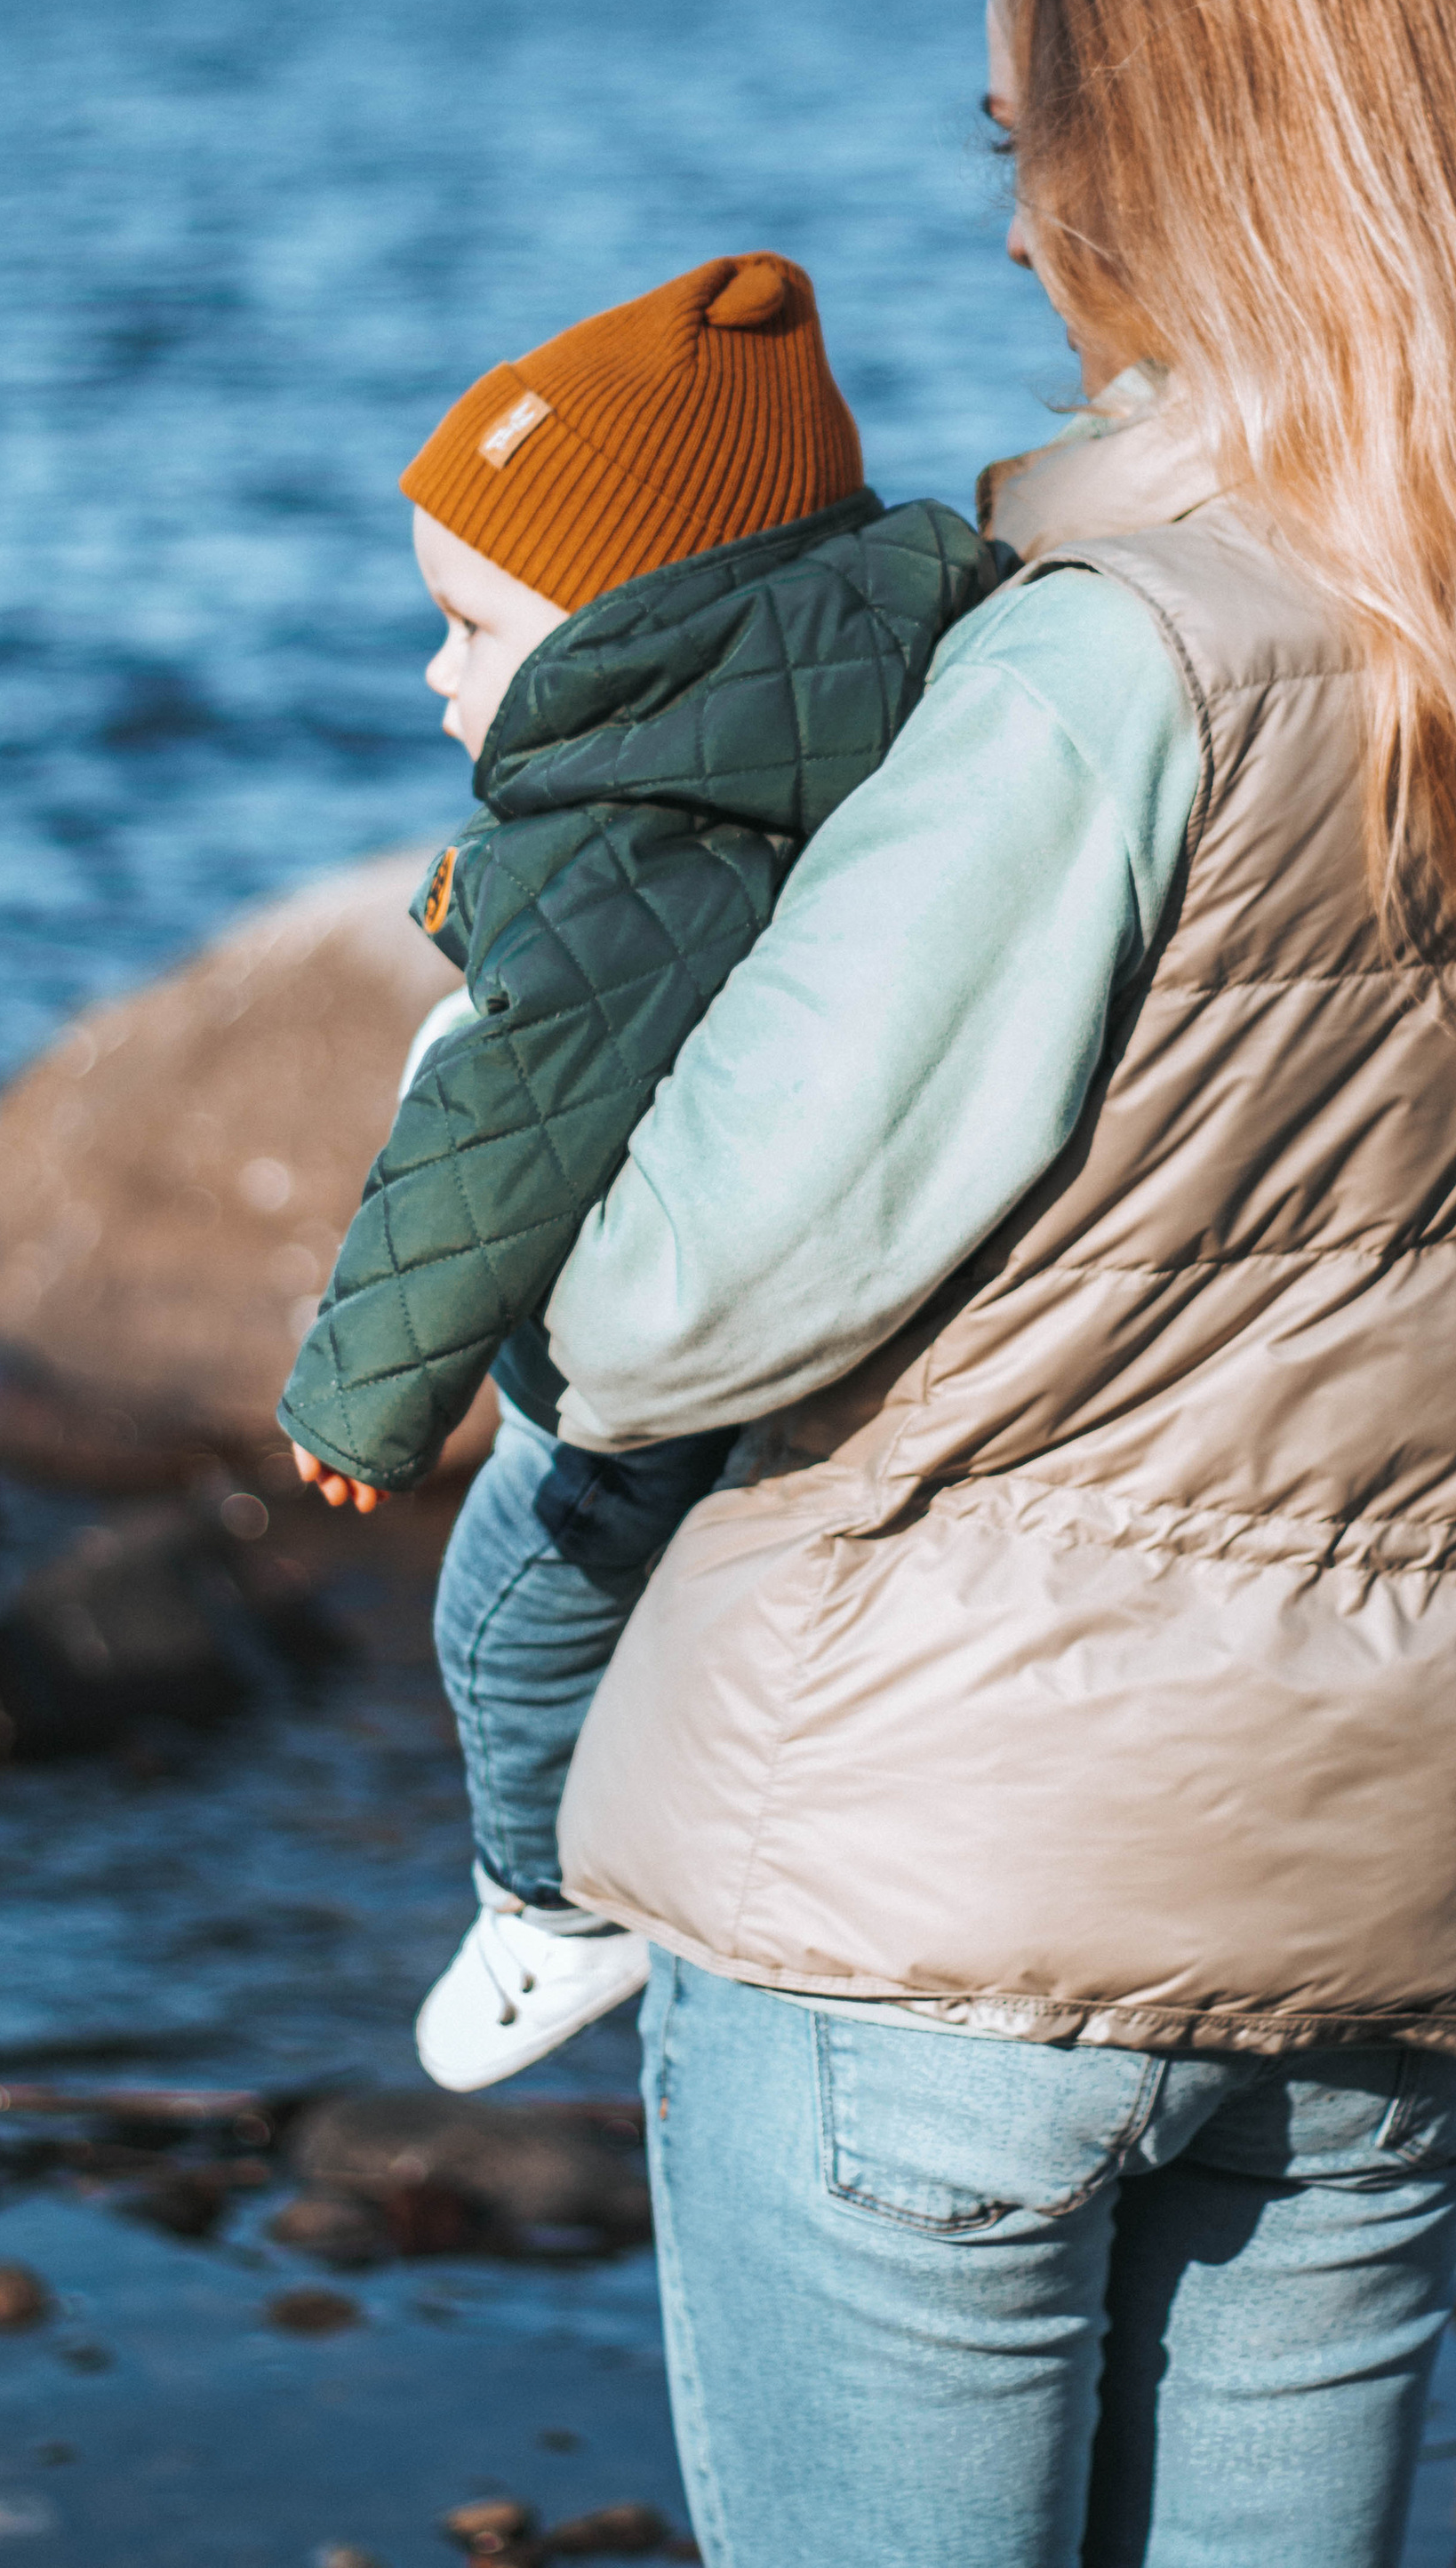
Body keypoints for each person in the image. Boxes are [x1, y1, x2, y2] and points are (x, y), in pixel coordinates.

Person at [516, 0, 1456, 2568]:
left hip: (927, 1907)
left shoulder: (1115, 665)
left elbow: (668, 1306)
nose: (1009, 231)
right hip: (1398, 1905)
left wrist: (514, 1108)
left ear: (1184, 154)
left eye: (1036, 143)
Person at [276, 249, 995, 2082]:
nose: (440, 673)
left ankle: (546, 1908)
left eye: (474, 627)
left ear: (627, 622)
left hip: (676, 1336)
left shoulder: (625, 837)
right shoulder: (876, 665)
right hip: (842, 1261)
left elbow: (501, 1123)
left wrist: (365, 1394)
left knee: (506, 1611)